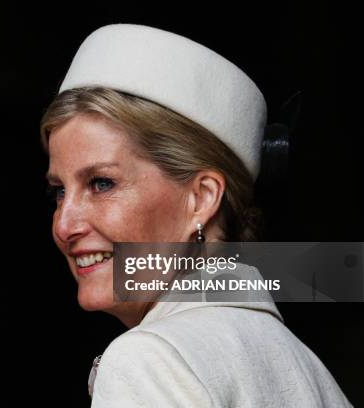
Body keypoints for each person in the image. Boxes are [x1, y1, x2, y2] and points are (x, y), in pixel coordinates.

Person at [40, 24, 352, 407]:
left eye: (102, 183)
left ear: (202, 198)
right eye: (59, 191)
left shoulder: (148, 360)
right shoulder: (306, 367)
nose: (64, 225)